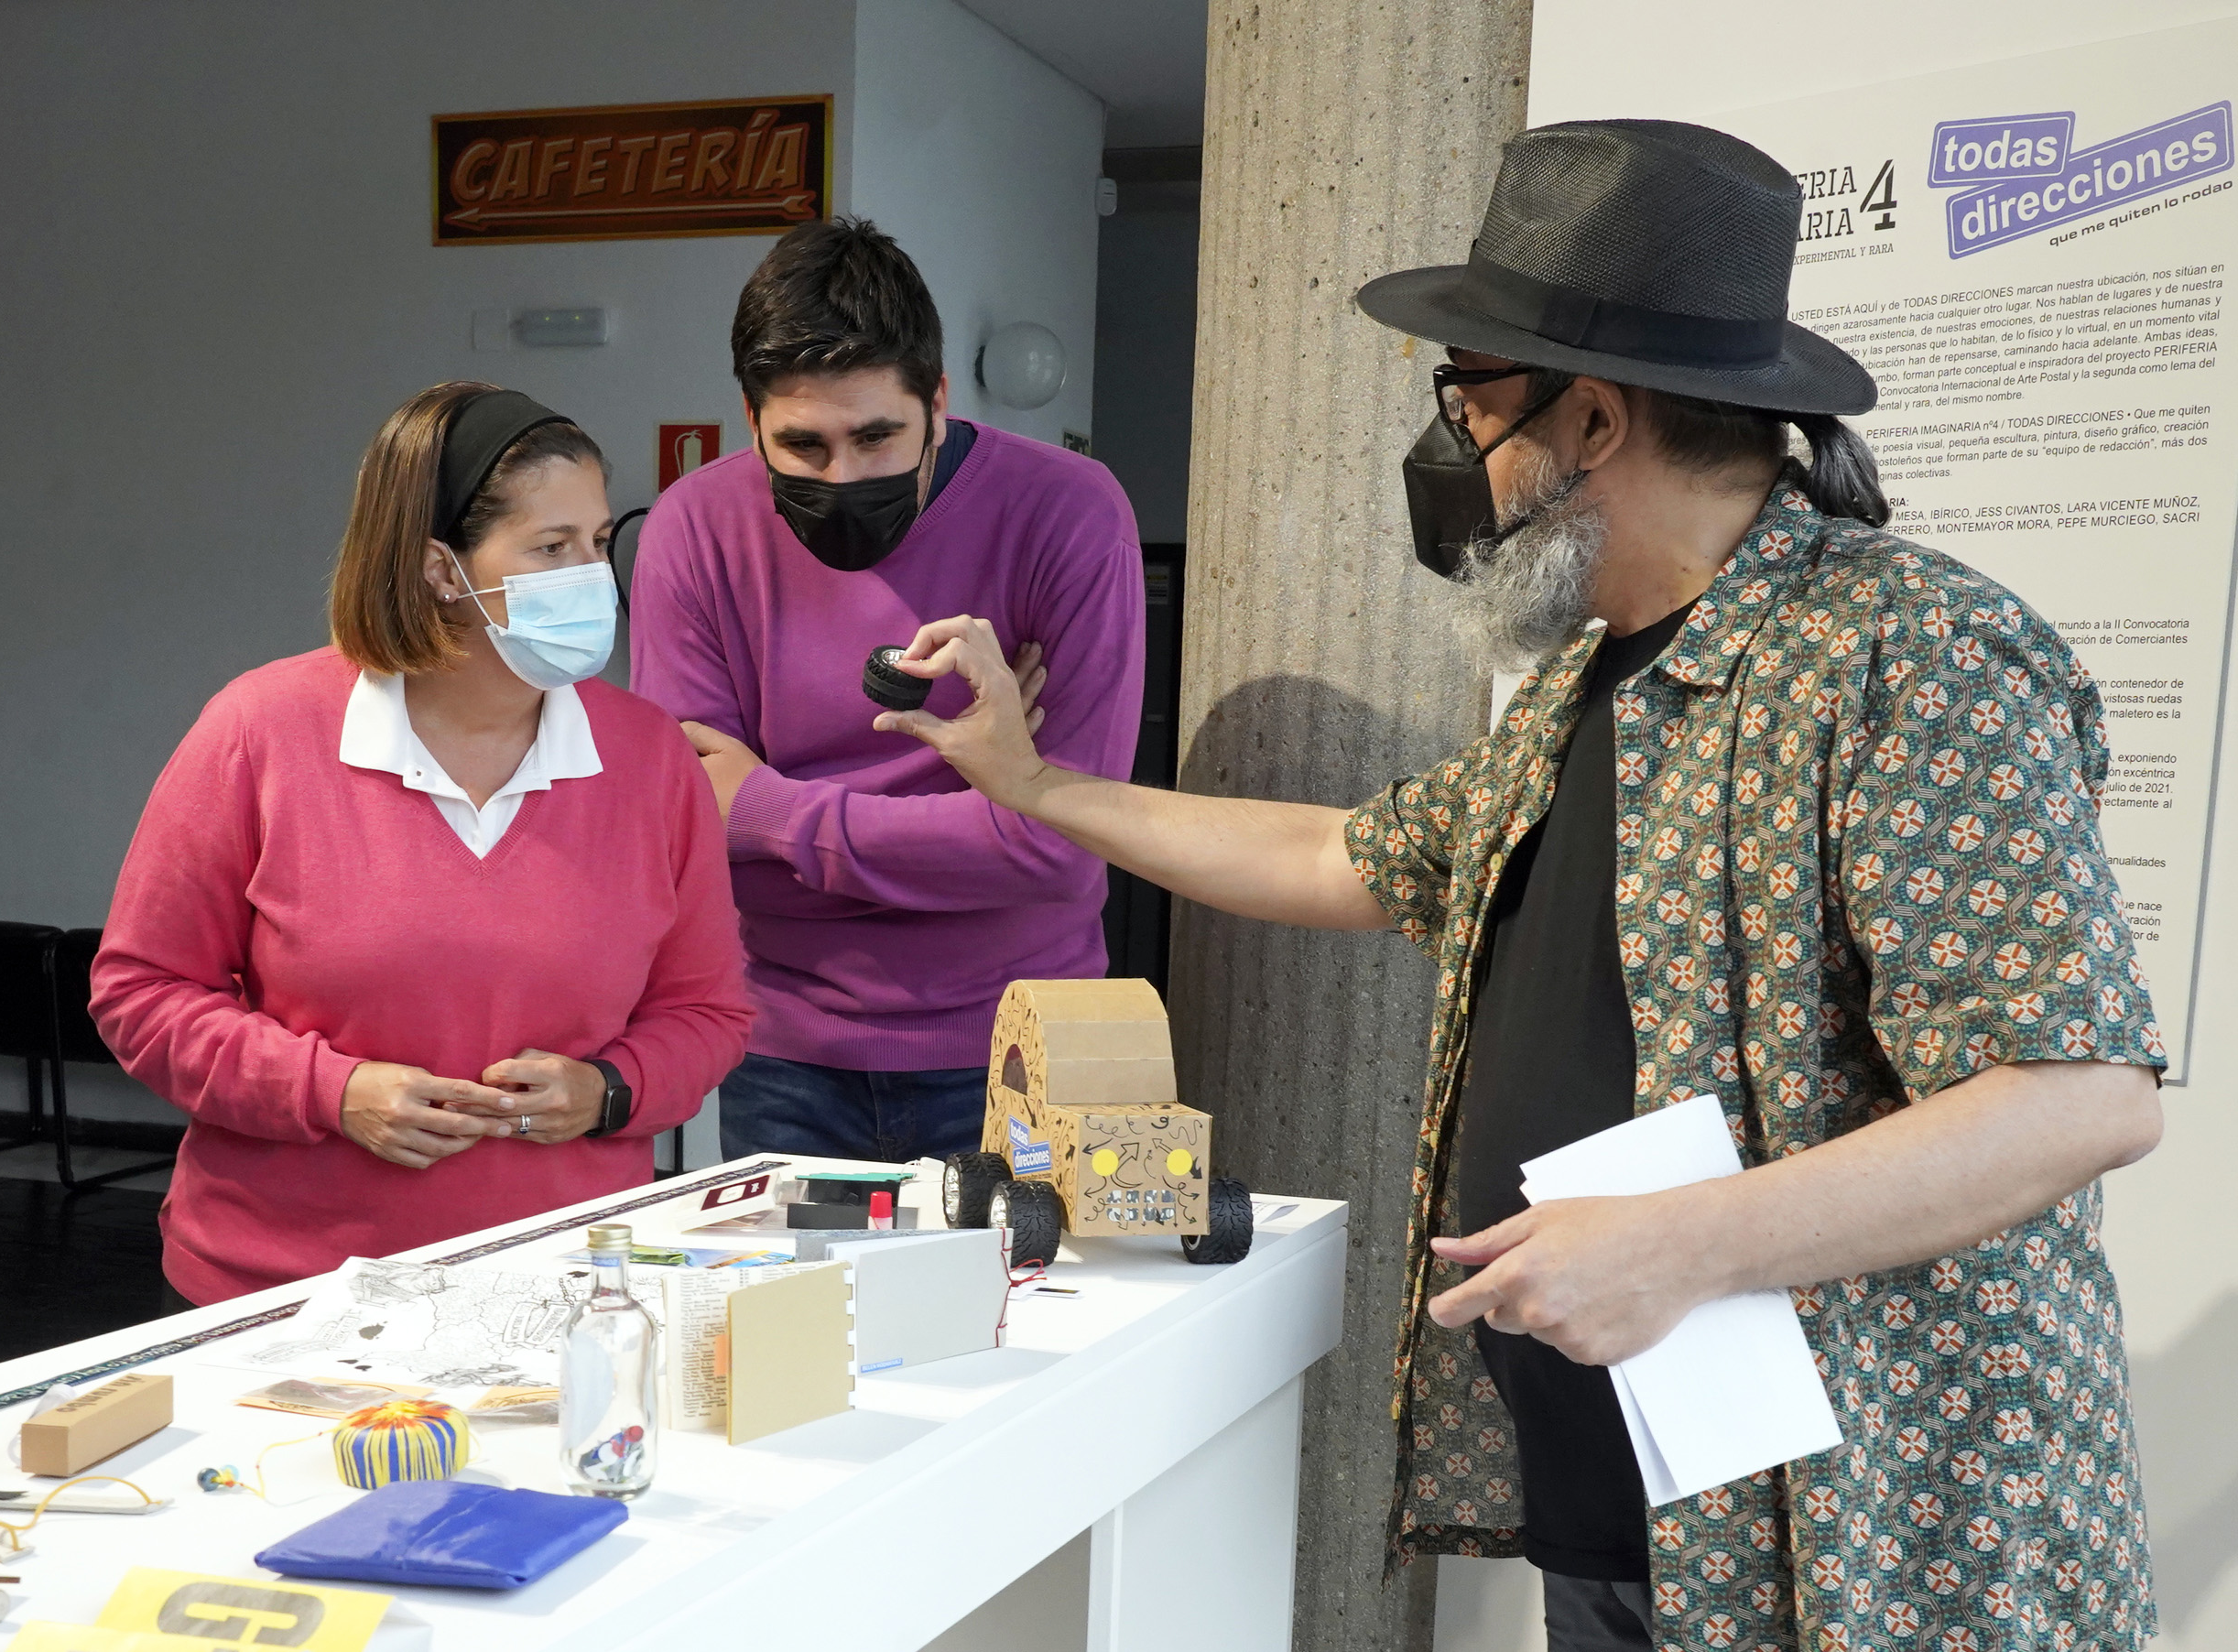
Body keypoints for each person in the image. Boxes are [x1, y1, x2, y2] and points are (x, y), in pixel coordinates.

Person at [869, 124, 2167, 1652]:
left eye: (1471, 403)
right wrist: (1032, 783)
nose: (1454, 454)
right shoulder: (1584, 681)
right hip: (1631, 1501)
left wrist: (1682, 1241)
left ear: (1592, 418)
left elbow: (2075, 1095)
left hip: (1859, 1548)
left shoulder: (1907, 652)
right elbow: (1345, 857)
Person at [92, 383, 753, 1304]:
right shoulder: (259, 731)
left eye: (599, 542)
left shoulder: (649, 757)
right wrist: (332, 1092)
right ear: (442, 568)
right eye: (551, 548)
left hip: (560, 1286)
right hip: (281, 1294)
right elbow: (143, 995)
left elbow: (709, 1011)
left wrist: (611, 1089)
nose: (592, 578)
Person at [630, 216, 1143, 1165]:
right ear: (750, 420)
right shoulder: (694, 528)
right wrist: (993, 807)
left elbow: (1063, 849)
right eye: (803, 445)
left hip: (1022, 1043)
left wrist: (768, 806)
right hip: (784, 1054)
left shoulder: (1067, 510)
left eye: (877, 437)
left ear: (937, 400)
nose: (845, 476)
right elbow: (690, 834)